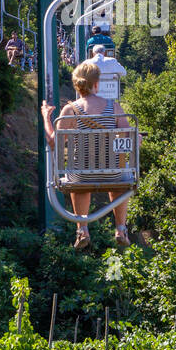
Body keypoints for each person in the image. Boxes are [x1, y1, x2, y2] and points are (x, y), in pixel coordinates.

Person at [41, 60, 134, 250]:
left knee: (79, 180)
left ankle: (82, 229)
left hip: (80, 175)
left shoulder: (69, 111)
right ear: (96, 84)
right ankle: (121, 228)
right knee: (119, 176)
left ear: (77, 84)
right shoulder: (114, 108)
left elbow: (53, 142)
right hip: (112, 173)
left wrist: (46, 117)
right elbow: (128, 136)